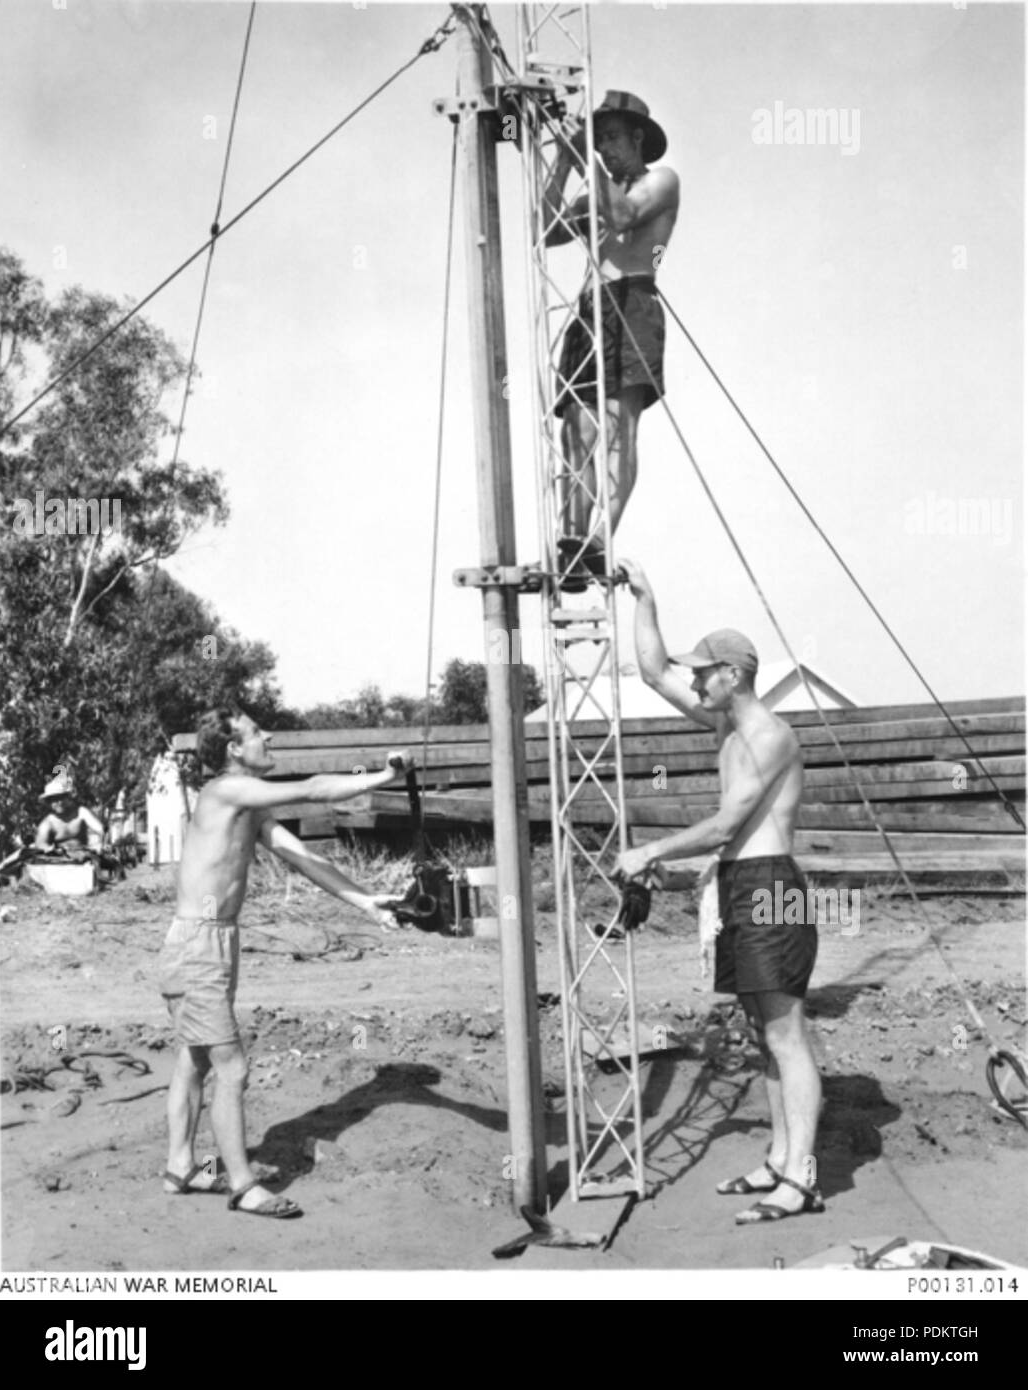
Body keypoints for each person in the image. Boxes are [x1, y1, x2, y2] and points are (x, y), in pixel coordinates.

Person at [613, 560, 823, 1224]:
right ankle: (778, 1159)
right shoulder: (724, 726)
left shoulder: (768, 735)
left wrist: (651, 849)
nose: (695, 679)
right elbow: (651, 671)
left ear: (732, 676)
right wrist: (647, 597)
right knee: (763, 1031)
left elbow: (731, 821)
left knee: (786, 1034)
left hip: (773, 888)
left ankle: (802, 1177)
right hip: (741, 885)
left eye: (704, 671)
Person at [157, 707, 412, 1219]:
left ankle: (180, 1166)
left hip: (215, 942)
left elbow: (303, 858)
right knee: (231, 1066)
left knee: (196, 1057)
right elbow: (315, 788)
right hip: (197, 946)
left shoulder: (248, 808)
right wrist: (386, 776)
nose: (267, 735)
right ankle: (243, 1185)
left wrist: (365, 902)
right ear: (233, 749)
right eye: (255, 732)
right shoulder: (225, 791)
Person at [542, 92, 679, 583]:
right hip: (590, 308)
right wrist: (563, 156)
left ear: (638, 137)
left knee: (618, 426)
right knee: (575, 431)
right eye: (601, 140)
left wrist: (584, 157)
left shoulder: (659, 181)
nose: (608, 150)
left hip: (633, 300)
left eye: (614, 139)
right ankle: (574, 540)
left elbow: (622, 218)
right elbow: (546, 226)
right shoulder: (602, 189)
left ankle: (601, 537)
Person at [33, 772, 106, 853]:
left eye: (61, 798)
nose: (59, 803)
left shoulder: (81, 813)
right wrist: (51, 850)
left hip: (85, 856)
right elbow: (40, 843)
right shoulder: (48, 822)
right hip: (59, 860)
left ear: (68, 797)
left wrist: (101, 844)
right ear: (49, 803)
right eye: (54, 800)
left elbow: (101, 829)